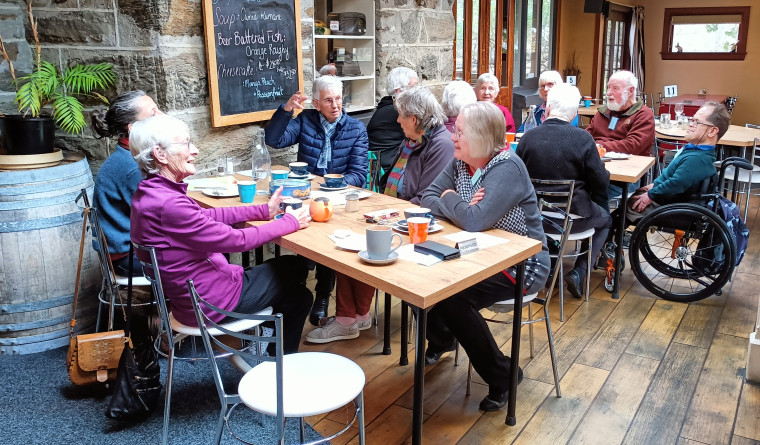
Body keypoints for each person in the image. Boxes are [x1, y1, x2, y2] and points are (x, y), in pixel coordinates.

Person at [129, 115, 312, 353]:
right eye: (185, 144)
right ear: (160, 155)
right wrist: (290, 221)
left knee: (299, 296)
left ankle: (271, 348)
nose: (194, 151)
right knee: (296, 267)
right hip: (212, 303)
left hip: (191, 299)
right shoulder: (169, 205)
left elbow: (208, 218)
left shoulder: (152, 193)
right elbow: (238, 240)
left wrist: (263, 210)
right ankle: (274, 357)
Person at [420, 102, 550, 412]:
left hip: (520, 263)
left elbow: (476, 221)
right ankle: (444, 339)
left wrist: (452, 199)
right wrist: (465, 207)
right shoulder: (460, 162)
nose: (453, 137)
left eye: (459, 132)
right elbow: (427, 198)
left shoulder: (507, 167)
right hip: (475, 254)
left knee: (453, 301)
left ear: (479, 137)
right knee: (422, 284)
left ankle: (503, 375)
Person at [306, 86, 455, 343]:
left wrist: (387, 213)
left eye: (400, 115)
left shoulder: (440, 144)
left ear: (415, 119)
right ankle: (355, 316)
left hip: (421, 225)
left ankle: (347, 318)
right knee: (348, 238)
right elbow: (393, 182)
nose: (396, 120)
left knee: (359, 241)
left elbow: (427, 200)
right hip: (396, 211)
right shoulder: (413, 140)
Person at [265, 75, 369, 325]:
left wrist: (327, 185)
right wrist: (286, 111)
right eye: (328, 100)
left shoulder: (356, 129)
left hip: (338, 199)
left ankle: (323, 294)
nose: (336, 105)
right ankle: (297, 290)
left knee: (326, 240)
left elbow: (358, 175)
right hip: (306, 195)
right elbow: (274, 140)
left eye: (339, 99)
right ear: (316, 103)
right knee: (299, 232)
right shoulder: (305, 120)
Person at [516, 84, 611, 299]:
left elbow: (518, 177)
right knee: (606, 219)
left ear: (547, 109)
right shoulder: (583, 139)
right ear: (575, 115)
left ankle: (548, 268)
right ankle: (580, 271)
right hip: (572, 219)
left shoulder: (528, 138)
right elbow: (601, 183)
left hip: (535, 218)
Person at [90, 90, 163, 277]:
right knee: (203, 253)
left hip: (132, 250)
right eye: (153, 113)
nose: (162, 116)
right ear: (133, 128)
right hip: (128, 258)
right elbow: (160, 217)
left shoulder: (130, 156)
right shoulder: (132, 167)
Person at [628, 101, 729, 218]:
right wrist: (655, 184)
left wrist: (651, 195)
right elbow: (675, 178)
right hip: (670, 200)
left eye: (697, 122)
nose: (691, 124)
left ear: (712, 131)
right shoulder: (696, 152)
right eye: (692, 120)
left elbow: (676, 184)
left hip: (671, 206)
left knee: (623, 212)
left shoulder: (698, 159)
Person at [586, 70, 655, 156]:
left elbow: (633, 146)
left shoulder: (643, 114)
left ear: (630, 91)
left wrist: (598, 146)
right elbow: (586, 135)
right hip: (596, 159)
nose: (608, 93)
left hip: (629, 164)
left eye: (615, 88)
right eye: (608, 87)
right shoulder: (603, 111)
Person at [367, 67, 419, 171]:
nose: (418, 90)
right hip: (388, 172)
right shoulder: (396, 112)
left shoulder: (387, 106)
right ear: (399, 91)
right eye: (414, 86)